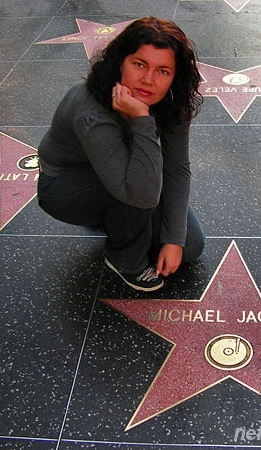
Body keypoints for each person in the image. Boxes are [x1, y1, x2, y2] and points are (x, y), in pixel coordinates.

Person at [37, 17, 205, 292]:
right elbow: (142, 194)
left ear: (175, 77)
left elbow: (176, 169)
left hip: (123, 173)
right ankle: (123, 259)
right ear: (120, 63)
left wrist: (174, 239)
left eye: (163, 71)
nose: (148, 80)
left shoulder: (173, 102)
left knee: (190, 247)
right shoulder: (91, 112)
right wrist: (141, 117)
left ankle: (117, 218)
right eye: (139, 65)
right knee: (137, 190)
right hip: (66, 187)